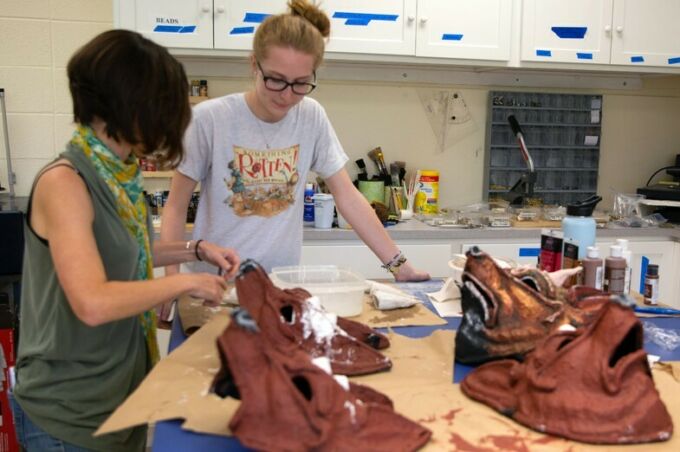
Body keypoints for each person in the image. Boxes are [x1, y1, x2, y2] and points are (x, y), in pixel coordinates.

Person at [10, 30, 240, 452]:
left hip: (121, 398)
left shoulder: (119, 174)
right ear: (130, 105)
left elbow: (125, 252)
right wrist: (184, 283)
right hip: (70, 415)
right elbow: (92, 301)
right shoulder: (66, 183)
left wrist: (196, 250)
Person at [161, 0, 429, 281]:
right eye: (275, 80)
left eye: (301, 83)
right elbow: (176, 206)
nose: (287, 96)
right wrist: (172, 278)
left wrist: (400, 266)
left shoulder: (311, 117)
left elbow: (348, 197)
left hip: (280, 286)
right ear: (255, 64)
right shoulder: (209, 120)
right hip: (213, 285)